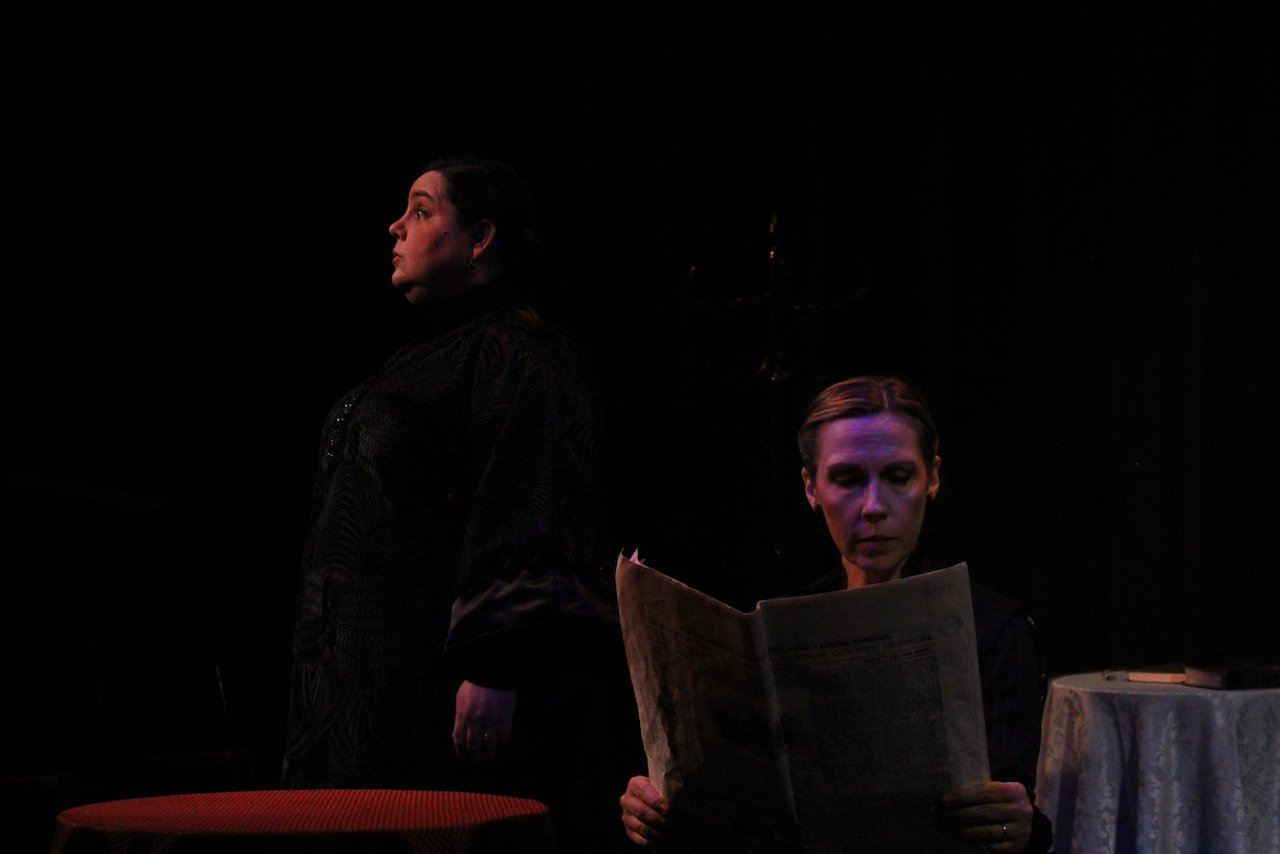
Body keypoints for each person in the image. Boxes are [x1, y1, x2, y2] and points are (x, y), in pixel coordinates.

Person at [282, 155, 637, 852]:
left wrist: (496, 665)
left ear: (480, 238)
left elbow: (534, 504)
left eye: (420, 210)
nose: (396, 226)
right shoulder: (420, 357)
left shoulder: (519, 351)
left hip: (435, 688)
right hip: (354, 681)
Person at [619, 374, 1053, 853]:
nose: (873, 507)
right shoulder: (780, 625)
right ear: (811, 487)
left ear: (932, 477)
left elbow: (1011, 817)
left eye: (898, 477)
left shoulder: (992, 627)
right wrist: (657, 808)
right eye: (847, 479)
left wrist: (1019, 826)